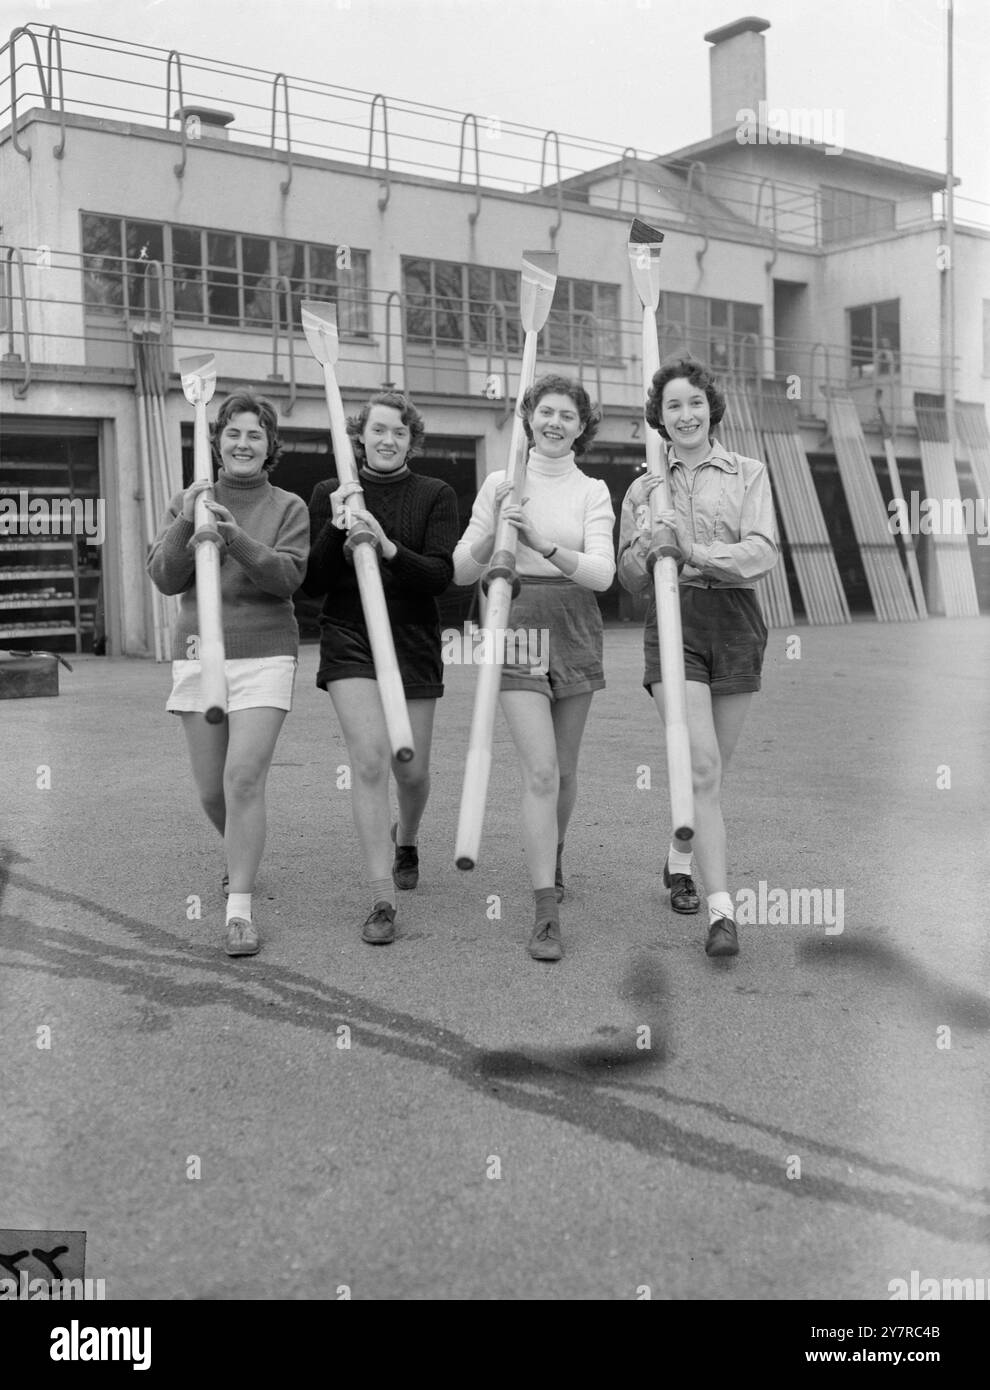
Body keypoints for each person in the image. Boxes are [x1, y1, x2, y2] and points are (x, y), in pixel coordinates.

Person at [617, 356, 778, 958]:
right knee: (703, 767)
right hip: (673, 617)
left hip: (736, 620)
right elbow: (628, 579)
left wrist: (694, 549)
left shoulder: (747, 472)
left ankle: (679, 857)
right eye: (672, 406)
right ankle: (721, 913)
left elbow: (761, 551)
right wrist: (650, 545)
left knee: (712, 769)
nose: (684, 415)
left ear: (711, 409)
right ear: (658, 418)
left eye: (694, 403)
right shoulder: (643, 487)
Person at [453, 374, 615, 962]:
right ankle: (545, 910)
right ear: (529, 417)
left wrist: (542, 543)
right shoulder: (501, 482)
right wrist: (494, 527)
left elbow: (602, 574)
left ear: (581, 426)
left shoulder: (592, 490)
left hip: (575, 621)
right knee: (541, 773)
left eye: (567, 416)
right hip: (514, 619)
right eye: (545, 412)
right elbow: (459, 571)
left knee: (566, 773)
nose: (555, 423)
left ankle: (556, 846)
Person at [147, 392, 309, 958]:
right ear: (217, 441)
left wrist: (232, 535)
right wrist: (187, 521)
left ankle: (238, 908)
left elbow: (287, 579)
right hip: (199, 652)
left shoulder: (289, 506)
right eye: (234, 433)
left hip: (265, 652)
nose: (244, 443)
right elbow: (165, 578)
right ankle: (241, 851)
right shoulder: (189, 499)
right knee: (212, 791)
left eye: (256, 435)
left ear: (270, 448)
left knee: (243, 780)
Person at [301, 390, 459, 945]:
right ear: (359, 437)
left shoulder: (435, 494)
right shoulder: (331, 491)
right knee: (368, 761)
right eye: (377, 430)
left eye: (398, 432)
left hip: (412, 639)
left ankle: (407, 838)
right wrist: (336, 524)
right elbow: (312, 581)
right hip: (349, 636)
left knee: (408, 766)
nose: (387, 440)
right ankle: (380, 896)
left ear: (411, 440)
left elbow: (440, 575)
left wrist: (387, 547)